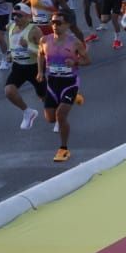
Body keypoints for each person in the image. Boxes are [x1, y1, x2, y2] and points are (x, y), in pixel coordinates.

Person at [38, 13, 88, 163]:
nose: (55, 25)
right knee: (50, 119)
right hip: (52, 83)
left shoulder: (75, 42)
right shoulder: (44, 40)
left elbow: (87, 60)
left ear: (67, 25)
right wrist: (40, 72)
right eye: (53, 22)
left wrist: (75, 63)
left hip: (70, 83)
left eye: (59, 23)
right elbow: (40, 55)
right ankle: (76, 98)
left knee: (60, 115)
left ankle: (64, 149)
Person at [2, 5, 45, 129]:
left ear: (28, 17)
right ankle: (27, 112)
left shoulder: (35, 30)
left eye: (19, 15)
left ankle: (58, 116)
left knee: (44, 97)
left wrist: (28, 46)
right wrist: (10, 53)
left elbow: (44, 52)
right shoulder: (11, 27)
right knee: (9, 91)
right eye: (14, 15)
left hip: (34, 68)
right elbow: (11, 41)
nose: (15, 18)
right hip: (18, 67)